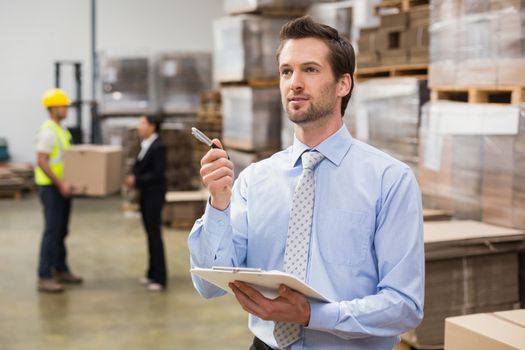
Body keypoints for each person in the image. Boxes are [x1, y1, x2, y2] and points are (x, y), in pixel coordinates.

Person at [188, 16, 424, 350]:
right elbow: (208, 286)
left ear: (343, 84)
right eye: (286, 71)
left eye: (310, 70)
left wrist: (313, 315)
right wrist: (219, 202)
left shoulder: (389, 181)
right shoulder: (256, 179)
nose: (294, 83)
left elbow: (404, 307)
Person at [35, 88, 83, 293]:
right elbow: (42, 161)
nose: (67, 109)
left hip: (62, 187)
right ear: (53, 108)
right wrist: (60, 183)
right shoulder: (48, 131)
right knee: (52, 231)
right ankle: (44, 276)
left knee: (62, 231)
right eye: (64, 105)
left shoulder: (62, 130)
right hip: (51, 188)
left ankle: (60, 268)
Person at [126, 115, 167, 292]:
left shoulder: (159, 146)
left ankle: (160, 277)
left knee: (155, 235)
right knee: (150, 234)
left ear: (152, 126)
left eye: (143, 123)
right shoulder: (146, 144)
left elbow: (158, 174)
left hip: (154, 195)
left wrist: (136, 180)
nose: (139, 127)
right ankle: (151, 272)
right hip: (146, 195)